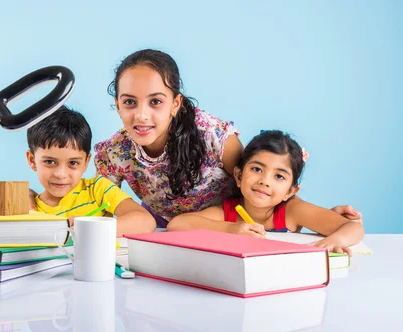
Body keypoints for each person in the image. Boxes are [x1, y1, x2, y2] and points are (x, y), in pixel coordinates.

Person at [93, 49, 362, 228]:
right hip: (168, 231)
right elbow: (98, 207)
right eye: (129, 102)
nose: (141, 115)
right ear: (117, 105)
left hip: (230, 225)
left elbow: (257, 181)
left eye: (155, 102)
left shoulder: (212, 135)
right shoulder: (113, 154)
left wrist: (319, 217)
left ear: (175, 104)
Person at [0, 105, 156, 237]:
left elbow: (145, 222)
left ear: (86, 162)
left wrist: (91, 228)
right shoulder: (28, 204)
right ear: (32, 160)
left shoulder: (97, 189)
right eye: (50, 162)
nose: (61, 174)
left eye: (73, 163)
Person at [168, 130, 365, 255]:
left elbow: (354, 228)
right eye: (256, 169)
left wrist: (333, 241)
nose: (264, 181)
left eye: (279, 176)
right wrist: (230, 229)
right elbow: (177, 224)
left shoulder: (292, 211)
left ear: (291, 191)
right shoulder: (229, 212)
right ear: (238, 176)